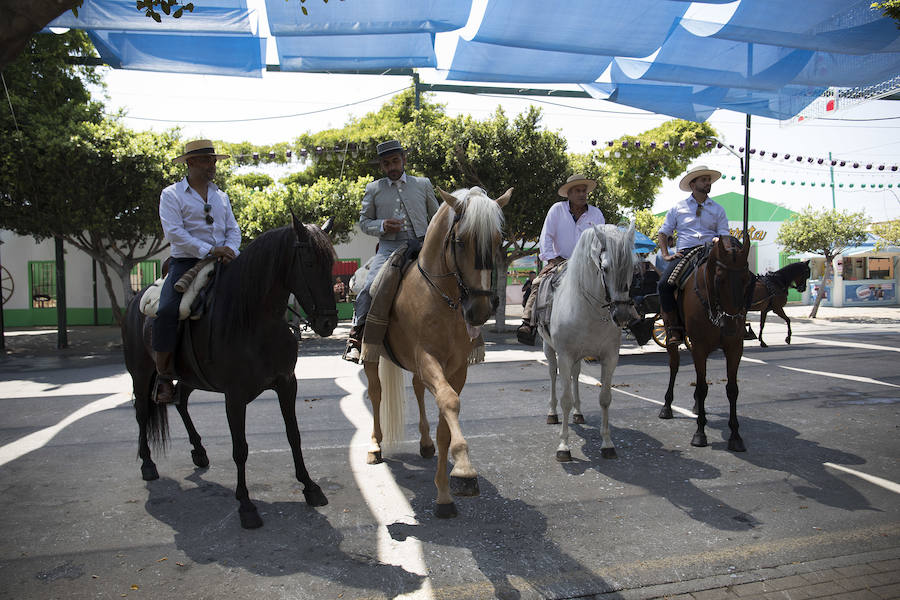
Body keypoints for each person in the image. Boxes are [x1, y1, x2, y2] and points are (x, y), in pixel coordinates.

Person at [152, 139, 241, 403]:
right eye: (205, 160)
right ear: (189, 163)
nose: (212, 165)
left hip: (225, 260)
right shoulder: (171, 195)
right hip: (186, 263)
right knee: (168, 310)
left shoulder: (221, 196)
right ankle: (164, 377)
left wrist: (230, 250)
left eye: (213, 160)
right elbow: (175, 234)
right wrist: (210, 250)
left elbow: (233, 230)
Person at [342, 140, 439, 363]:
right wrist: (382, 225)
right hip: (389, 248)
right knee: (369, 287)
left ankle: (469, 330)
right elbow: (364, 222)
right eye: (386, 164)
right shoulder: (373, 189)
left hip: (423, 245)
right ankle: (356, 337)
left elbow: (436, 217)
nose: (392, 167)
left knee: (454, 275)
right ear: (381, 167)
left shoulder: (423, 184)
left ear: (404, 160)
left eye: (395, 161)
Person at [517, 173, 606, 345]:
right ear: (569, 194)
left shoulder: (596, 214)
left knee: (611, 280)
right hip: (560, 261)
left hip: (588, 262)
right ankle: (527, 321)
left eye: (584, 191)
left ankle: (628, 317)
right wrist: (551, 259)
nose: (582, 194)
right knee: (538, 282)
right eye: (578, 191)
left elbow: (600, 239)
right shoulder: (557, 209)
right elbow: (546, 236)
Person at [656, 164, 731, 347]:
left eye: (708, 180)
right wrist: (666, 255)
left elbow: (724, 235)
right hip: (686, 253)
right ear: (692, 184)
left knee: (734, 279)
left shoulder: (718, 209)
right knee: (664, 285)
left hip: (711, 251)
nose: (707, 183)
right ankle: (674, 329)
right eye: (703, 180)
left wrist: (722, 244)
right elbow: (663, 233)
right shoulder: (678, 208)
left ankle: (735, 320)